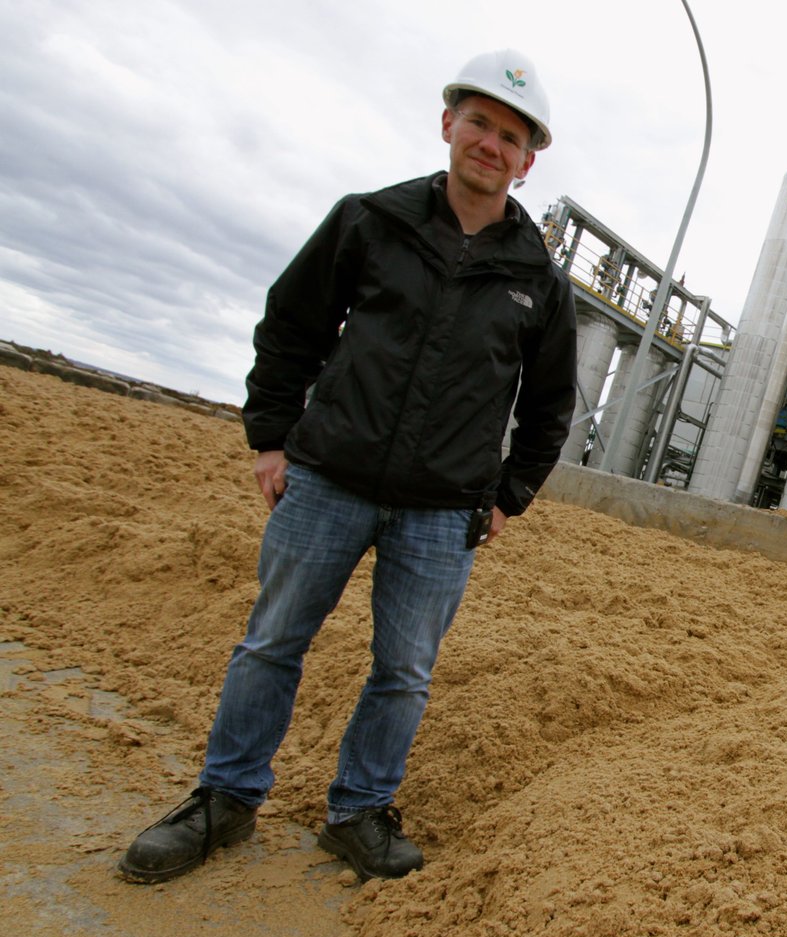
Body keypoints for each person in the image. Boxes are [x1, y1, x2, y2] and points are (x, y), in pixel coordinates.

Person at [118, 49, 578, 884]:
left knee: (403, 671)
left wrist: (510, 495)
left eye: (511, 136)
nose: (491, 143)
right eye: (478, 122)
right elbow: (290, 326)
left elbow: (549, 406)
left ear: (528, 159)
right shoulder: (370, 220)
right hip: (328, 480)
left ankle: (359, 810)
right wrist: (270, 437)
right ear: (448, 124)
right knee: (271, 642)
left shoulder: (537, 279)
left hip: (443, 513)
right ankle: (225, 798)